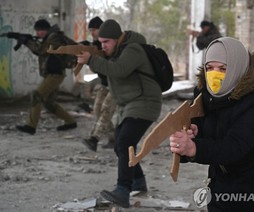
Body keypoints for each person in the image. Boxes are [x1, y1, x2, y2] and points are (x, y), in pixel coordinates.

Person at [169, 37, 254, 211]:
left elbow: (235, 146)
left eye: (222, 68)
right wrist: (186, 142)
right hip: (223, 184)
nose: (214, 74)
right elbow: (198, 135)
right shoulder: (204, 96)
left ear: (237, 68)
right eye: (209, 68)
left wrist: (194, 148)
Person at [77, 19, 162, 208]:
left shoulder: (133, 50)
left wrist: (92, 59)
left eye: (106, 41)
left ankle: (123, 190)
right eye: (101, 42)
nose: (103, 45)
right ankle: (138, 182)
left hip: (145, 103)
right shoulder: (115, 52)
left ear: (117, 39)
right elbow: (107, 77)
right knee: (120, 145)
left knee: (125, 142)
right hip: (130, 104)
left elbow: (119, 70)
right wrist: (92, 57)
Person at [15, 19, 77, 135]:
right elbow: (40, 50)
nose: (38, 33)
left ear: (46, 30)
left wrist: (27, 41)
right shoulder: (49, 37)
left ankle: (30, 126)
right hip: (52, 74)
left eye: (40, 30)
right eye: (37, 31)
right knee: (48, 102)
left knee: (37, 95)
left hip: (55, 74)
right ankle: (70, 122)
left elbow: (41, 50)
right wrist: (24, 39)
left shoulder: (53, 37)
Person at [81, 16, 116, 151]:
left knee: (106, 111)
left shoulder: (111, 45)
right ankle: (114, 138)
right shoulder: (95, 46)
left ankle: (94, 138)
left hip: (116, 84)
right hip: (104, 83)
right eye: (90, 30)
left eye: (95, 29)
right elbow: (96, 68)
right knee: (97, 111)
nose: (92, 32)